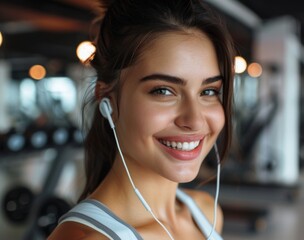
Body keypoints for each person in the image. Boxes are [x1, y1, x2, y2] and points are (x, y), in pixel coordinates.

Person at [48, 0, 235, 239]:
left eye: (208, 91)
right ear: (108, 100)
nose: (195, 121)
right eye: (164, 91)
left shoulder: (206, 213)